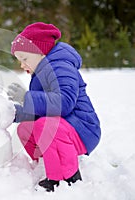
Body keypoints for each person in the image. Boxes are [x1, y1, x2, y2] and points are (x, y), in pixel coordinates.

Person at [8, 22, 101, 192]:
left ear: (40, 52)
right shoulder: (40, 73)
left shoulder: (61, 66)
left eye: (25, 59)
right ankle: (48, 163)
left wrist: (26, 97)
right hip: (62, 127)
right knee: (25, 129)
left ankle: (66, 176)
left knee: (45, 126)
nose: (22, 65)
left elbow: (64, 103)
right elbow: (42, 110)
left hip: (82, 128)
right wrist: (15, 113)